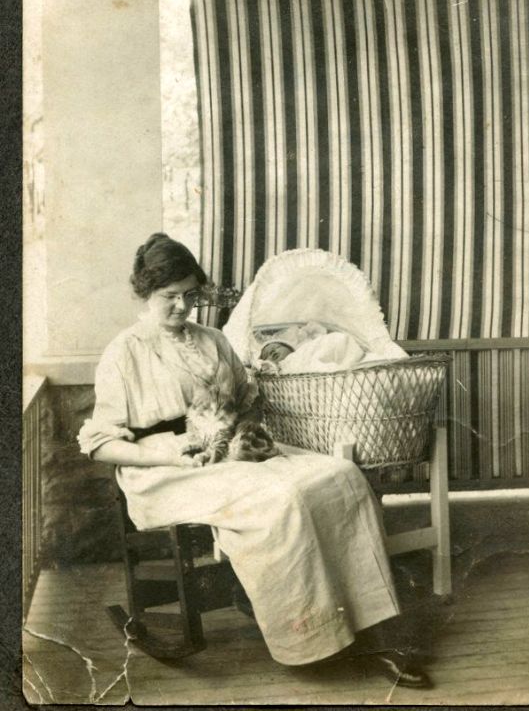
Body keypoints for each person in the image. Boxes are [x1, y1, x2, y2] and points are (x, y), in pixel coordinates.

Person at [78, 233, 431, 688]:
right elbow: (102, 444)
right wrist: (169, 455)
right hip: (164, 472)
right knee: (283, 498)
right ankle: (313, 635)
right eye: (170, 296)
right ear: (146, 292)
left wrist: (243, 435)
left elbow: (247, 403)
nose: (184, 307)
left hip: (229, 453)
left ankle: (375, 626)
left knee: (342, 476)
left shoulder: (214, 341)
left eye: (191, 295)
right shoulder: (124, 352)